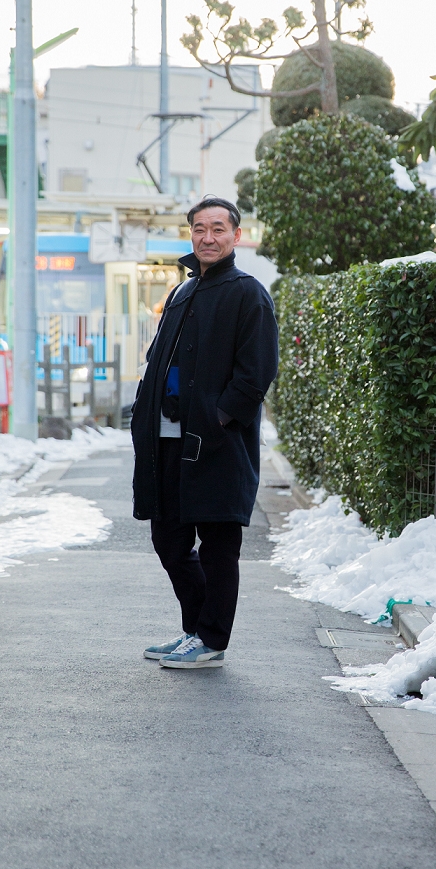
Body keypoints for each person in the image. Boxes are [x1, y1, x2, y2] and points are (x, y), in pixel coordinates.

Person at [131, 196, 279, 669]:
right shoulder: (181, 292)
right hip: (167, 436)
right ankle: (196, 629)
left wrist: (219, 418)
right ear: (190, 234)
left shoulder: (247, 293)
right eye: (199, 228)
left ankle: (212, 640)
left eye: (218, 229)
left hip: (217, 443)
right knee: (169, 539)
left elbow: (255, 374)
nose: (208, 237)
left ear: (236, 236)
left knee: (218, 548)